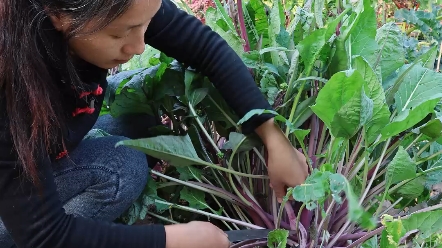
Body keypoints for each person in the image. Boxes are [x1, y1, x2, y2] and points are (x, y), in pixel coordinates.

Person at [0, 0, 309, 247]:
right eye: (121, 33)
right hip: (13, 201)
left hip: (32, 154)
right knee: (123, 166)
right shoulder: (11, 82)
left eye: (147, 25)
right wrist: (171, 240)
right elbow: (45, 235)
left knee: (142, 126)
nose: (138, 46)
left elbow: (204, 47)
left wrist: (272, 134)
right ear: (59, 16)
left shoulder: (113, 9)